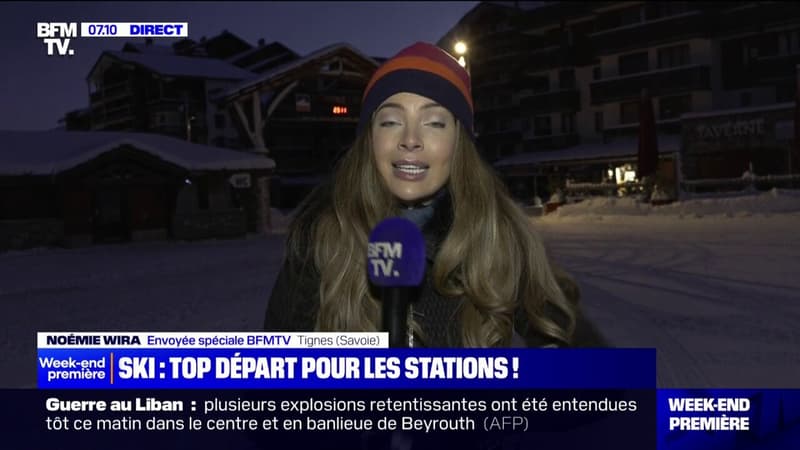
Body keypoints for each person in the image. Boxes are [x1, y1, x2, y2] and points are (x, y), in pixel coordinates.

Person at [264, 42, 606, 348]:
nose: (410, 139)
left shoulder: (500, 238)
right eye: (390, 121)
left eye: (434, 123)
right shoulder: (321, 240)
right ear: (369, 141)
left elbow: (598, 371)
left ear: (460, 144)